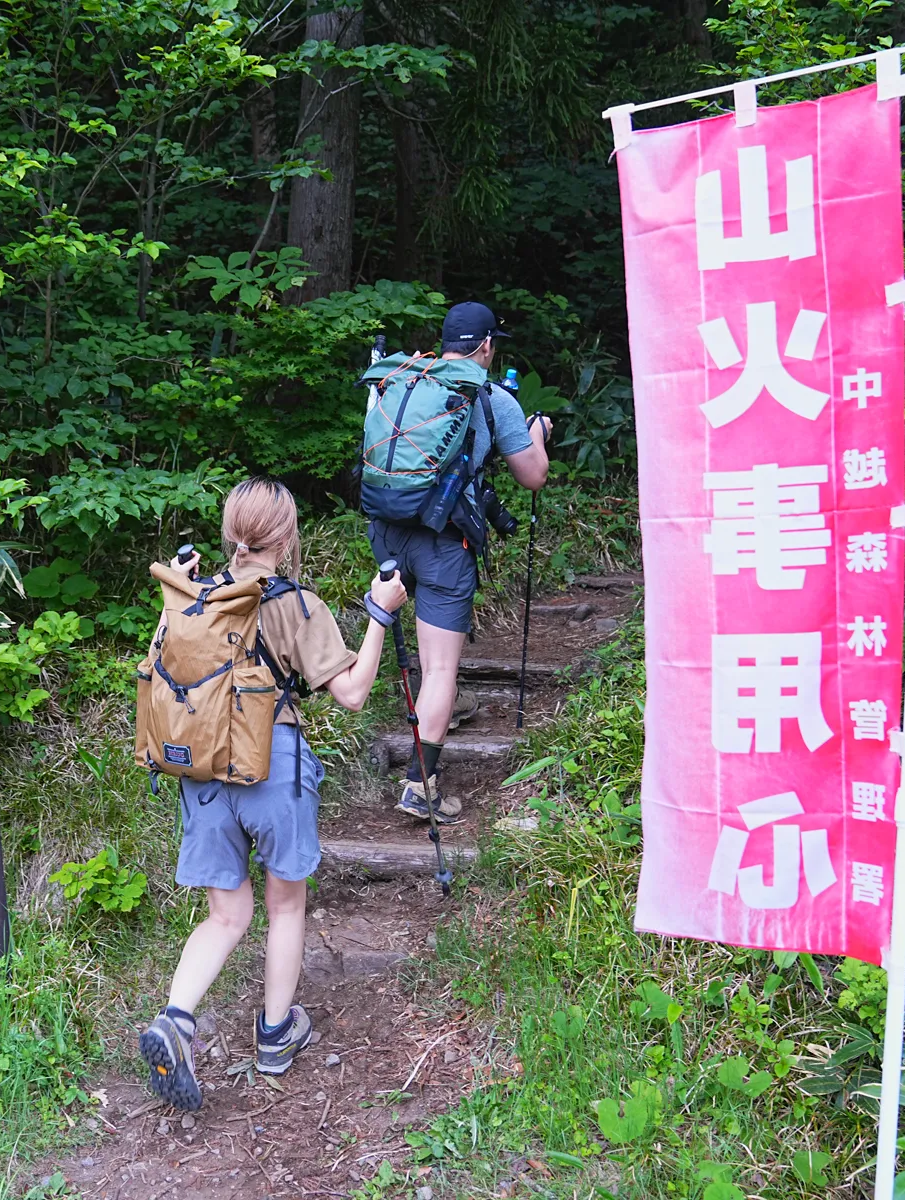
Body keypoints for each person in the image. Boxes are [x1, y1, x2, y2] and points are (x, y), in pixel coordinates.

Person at [139, 479, 408, 1111]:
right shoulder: (293, 603)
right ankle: (274, 1035)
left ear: (229, 533)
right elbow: (352, 693)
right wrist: (379, 612)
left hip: (201, 775)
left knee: (226, 915)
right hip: (271, 769)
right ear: (284, 540)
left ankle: (175, 1019)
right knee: (285, 906)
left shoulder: (191, 600)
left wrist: (184, 584)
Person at [367, 301, 551, 826]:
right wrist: (536, 430)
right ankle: (420, 786)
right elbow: (532, 475)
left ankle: (445, 706)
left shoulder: (398, 383)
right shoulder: (490, 398)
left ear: (444, 342)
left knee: (434, 667)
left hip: (387, 532)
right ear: (488, 346)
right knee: (440, 666)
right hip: (446, 542)